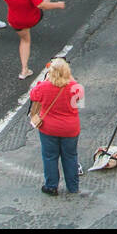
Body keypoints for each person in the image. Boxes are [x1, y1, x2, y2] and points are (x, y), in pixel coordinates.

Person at [29, 57, 84, 198]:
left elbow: (33, 94)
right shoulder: (75, 87)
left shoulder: (43, 87)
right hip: (70, 128)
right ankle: (73, 186)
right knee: (70, 157)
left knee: (50, 157)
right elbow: (79, 102)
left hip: (49, 128)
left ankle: (51, 186)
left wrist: (46, 80)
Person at [3, 0, 65, 78]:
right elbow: (42, 5)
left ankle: (24, 70)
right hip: (31, 18)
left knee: (25, 41)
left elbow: (10, 3)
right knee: (41, 2)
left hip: (15, 20)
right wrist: (58, 4)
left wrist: (9, 19)